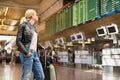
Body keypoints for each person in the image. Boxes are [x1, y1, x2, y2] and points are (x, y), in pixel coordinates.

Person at [16, 9, 45, 80]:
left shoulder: (34, 28)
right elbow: (18, 41)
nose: (37, 16)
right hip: (27, 53)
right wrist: (26, 52)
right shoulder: (23, 26)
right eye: (36, 14)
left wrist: (40, 47)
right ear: (32, 16)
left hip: (34, 54)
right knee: (26, 77)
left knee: (40, 76)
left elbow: (33, 42)